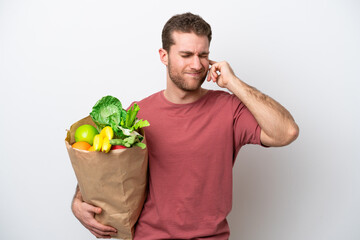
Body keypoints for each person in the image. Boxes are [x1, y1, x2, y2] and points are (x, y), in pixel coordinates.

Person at [71, 12, 299, 239]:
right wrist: (78, 201)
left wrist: (234, 83)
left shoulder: (229, 110)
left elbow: (286, 132)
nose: (197, 64)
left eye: (203, 55)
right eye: (186, 55)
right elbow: (102, 161)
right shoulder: (137, 114)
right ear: (164, 56)